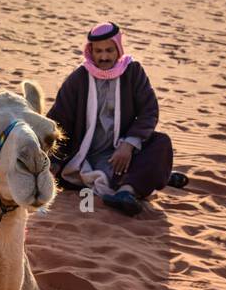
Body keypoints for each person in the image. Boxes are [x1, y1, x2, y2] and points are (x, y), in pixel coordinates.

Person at [47, 22, 175, 216]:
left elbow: (149, 111)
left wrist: (129, 144)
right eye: (98, 51)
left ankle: (126, 193)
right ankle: (159, 177)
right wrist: (53, 163)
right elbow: (59, 122)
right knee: (149, 167)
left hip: (122, 155)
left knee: (161, 143)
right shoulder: (78, 79)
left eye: (109, 50)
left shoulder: (132, 72)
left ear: (119, 49)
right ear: (91, 51)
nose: (104, 57)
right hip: (85, 158)